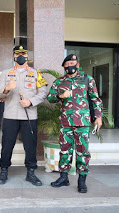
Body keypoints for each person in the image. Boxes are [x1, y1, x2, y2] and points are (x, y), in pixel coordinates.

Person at [48, 54, 103, 193]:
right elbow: (50, 98)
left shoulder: (87, 80)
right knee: (65, 150)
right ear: (64, 67)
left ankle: (82, 181)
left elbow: (95, 99)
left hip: (83, 122)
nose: (70, 66)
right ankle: (63, 178)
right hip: (65, 123)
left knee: (83, 152)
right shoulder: (59, 82)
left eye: (72, 63)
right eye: (67, 65)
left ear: (77, 65)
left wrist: (98, 117)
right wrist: (60, 96)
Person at [0, 45, 48, 186]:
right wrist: (7, 89)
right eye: (17, 54)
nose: (20, 56)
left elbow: (43, 93)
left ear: (27, 57)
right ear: (13, 56)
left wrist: (31, 101)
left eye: (23, 54)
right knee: (7, 145)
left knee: (30, 146)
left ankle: (31, 173)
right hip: (10, 116)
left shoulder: (36, 73)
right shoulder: (6, 73)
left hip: (29, 116)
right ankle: (4, 170)